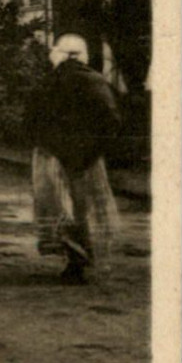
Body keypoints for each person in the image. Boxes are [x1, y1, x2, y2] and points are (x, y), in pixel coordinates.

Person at [28, 34, 122, 284]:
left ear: (61, 55)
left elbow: (31, 120)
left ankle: (73, 262)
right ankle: (86, 260)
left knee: (61, 207)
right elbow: (112, 121)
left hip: (54, 157)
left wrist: (46, 145)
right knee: (87, 209)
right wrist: (96, 150)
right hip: (86, 158)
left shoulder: (49, 81)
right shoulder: (96, 81)